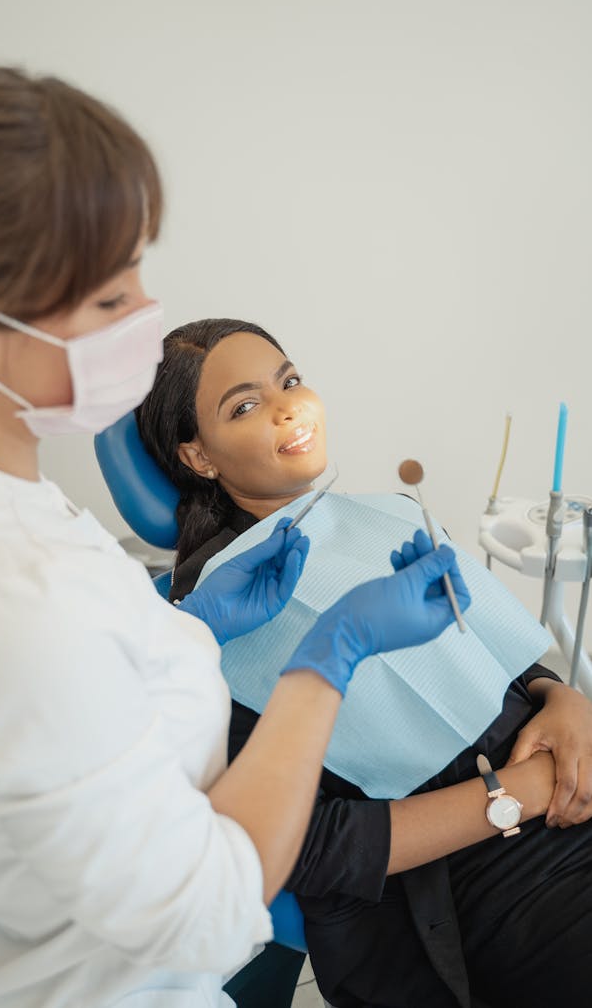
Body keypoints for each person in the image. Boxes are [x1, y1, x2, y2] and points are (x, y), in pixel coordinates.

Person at [0, 60, 473, 1008]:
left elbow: (84, 717)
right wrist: (328, 658)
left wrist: (195, 628)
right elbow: (204, 910)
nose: (146, 319)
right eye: (109, 297)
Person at [136, 317, 592, 1008]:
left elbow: (497, 656)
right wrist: (521, 792)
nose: (289, 405)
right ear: (199, 458)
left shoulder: (387, 513)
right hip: (480, 881)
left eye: (289, 381)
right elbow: (309, 847)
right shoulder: (213, 624)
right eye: (245, 404)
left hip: (563, 786)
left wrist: (562, 699)